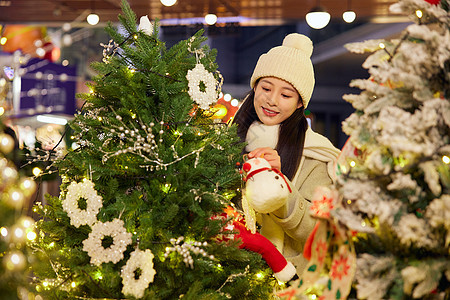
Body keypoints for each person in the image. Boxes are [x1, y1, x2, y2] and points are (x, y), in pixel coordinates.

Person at [232, 33, 340, 275]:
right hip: (225, 274)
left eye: (286, 95)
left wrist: (281, 188)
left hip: (286, 282)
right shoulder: (228, 139)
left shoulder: (317, 155)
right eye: (266, 88)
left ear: (300, 102)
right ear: (255, 87)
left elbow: (320, 231)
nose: (271, 101)